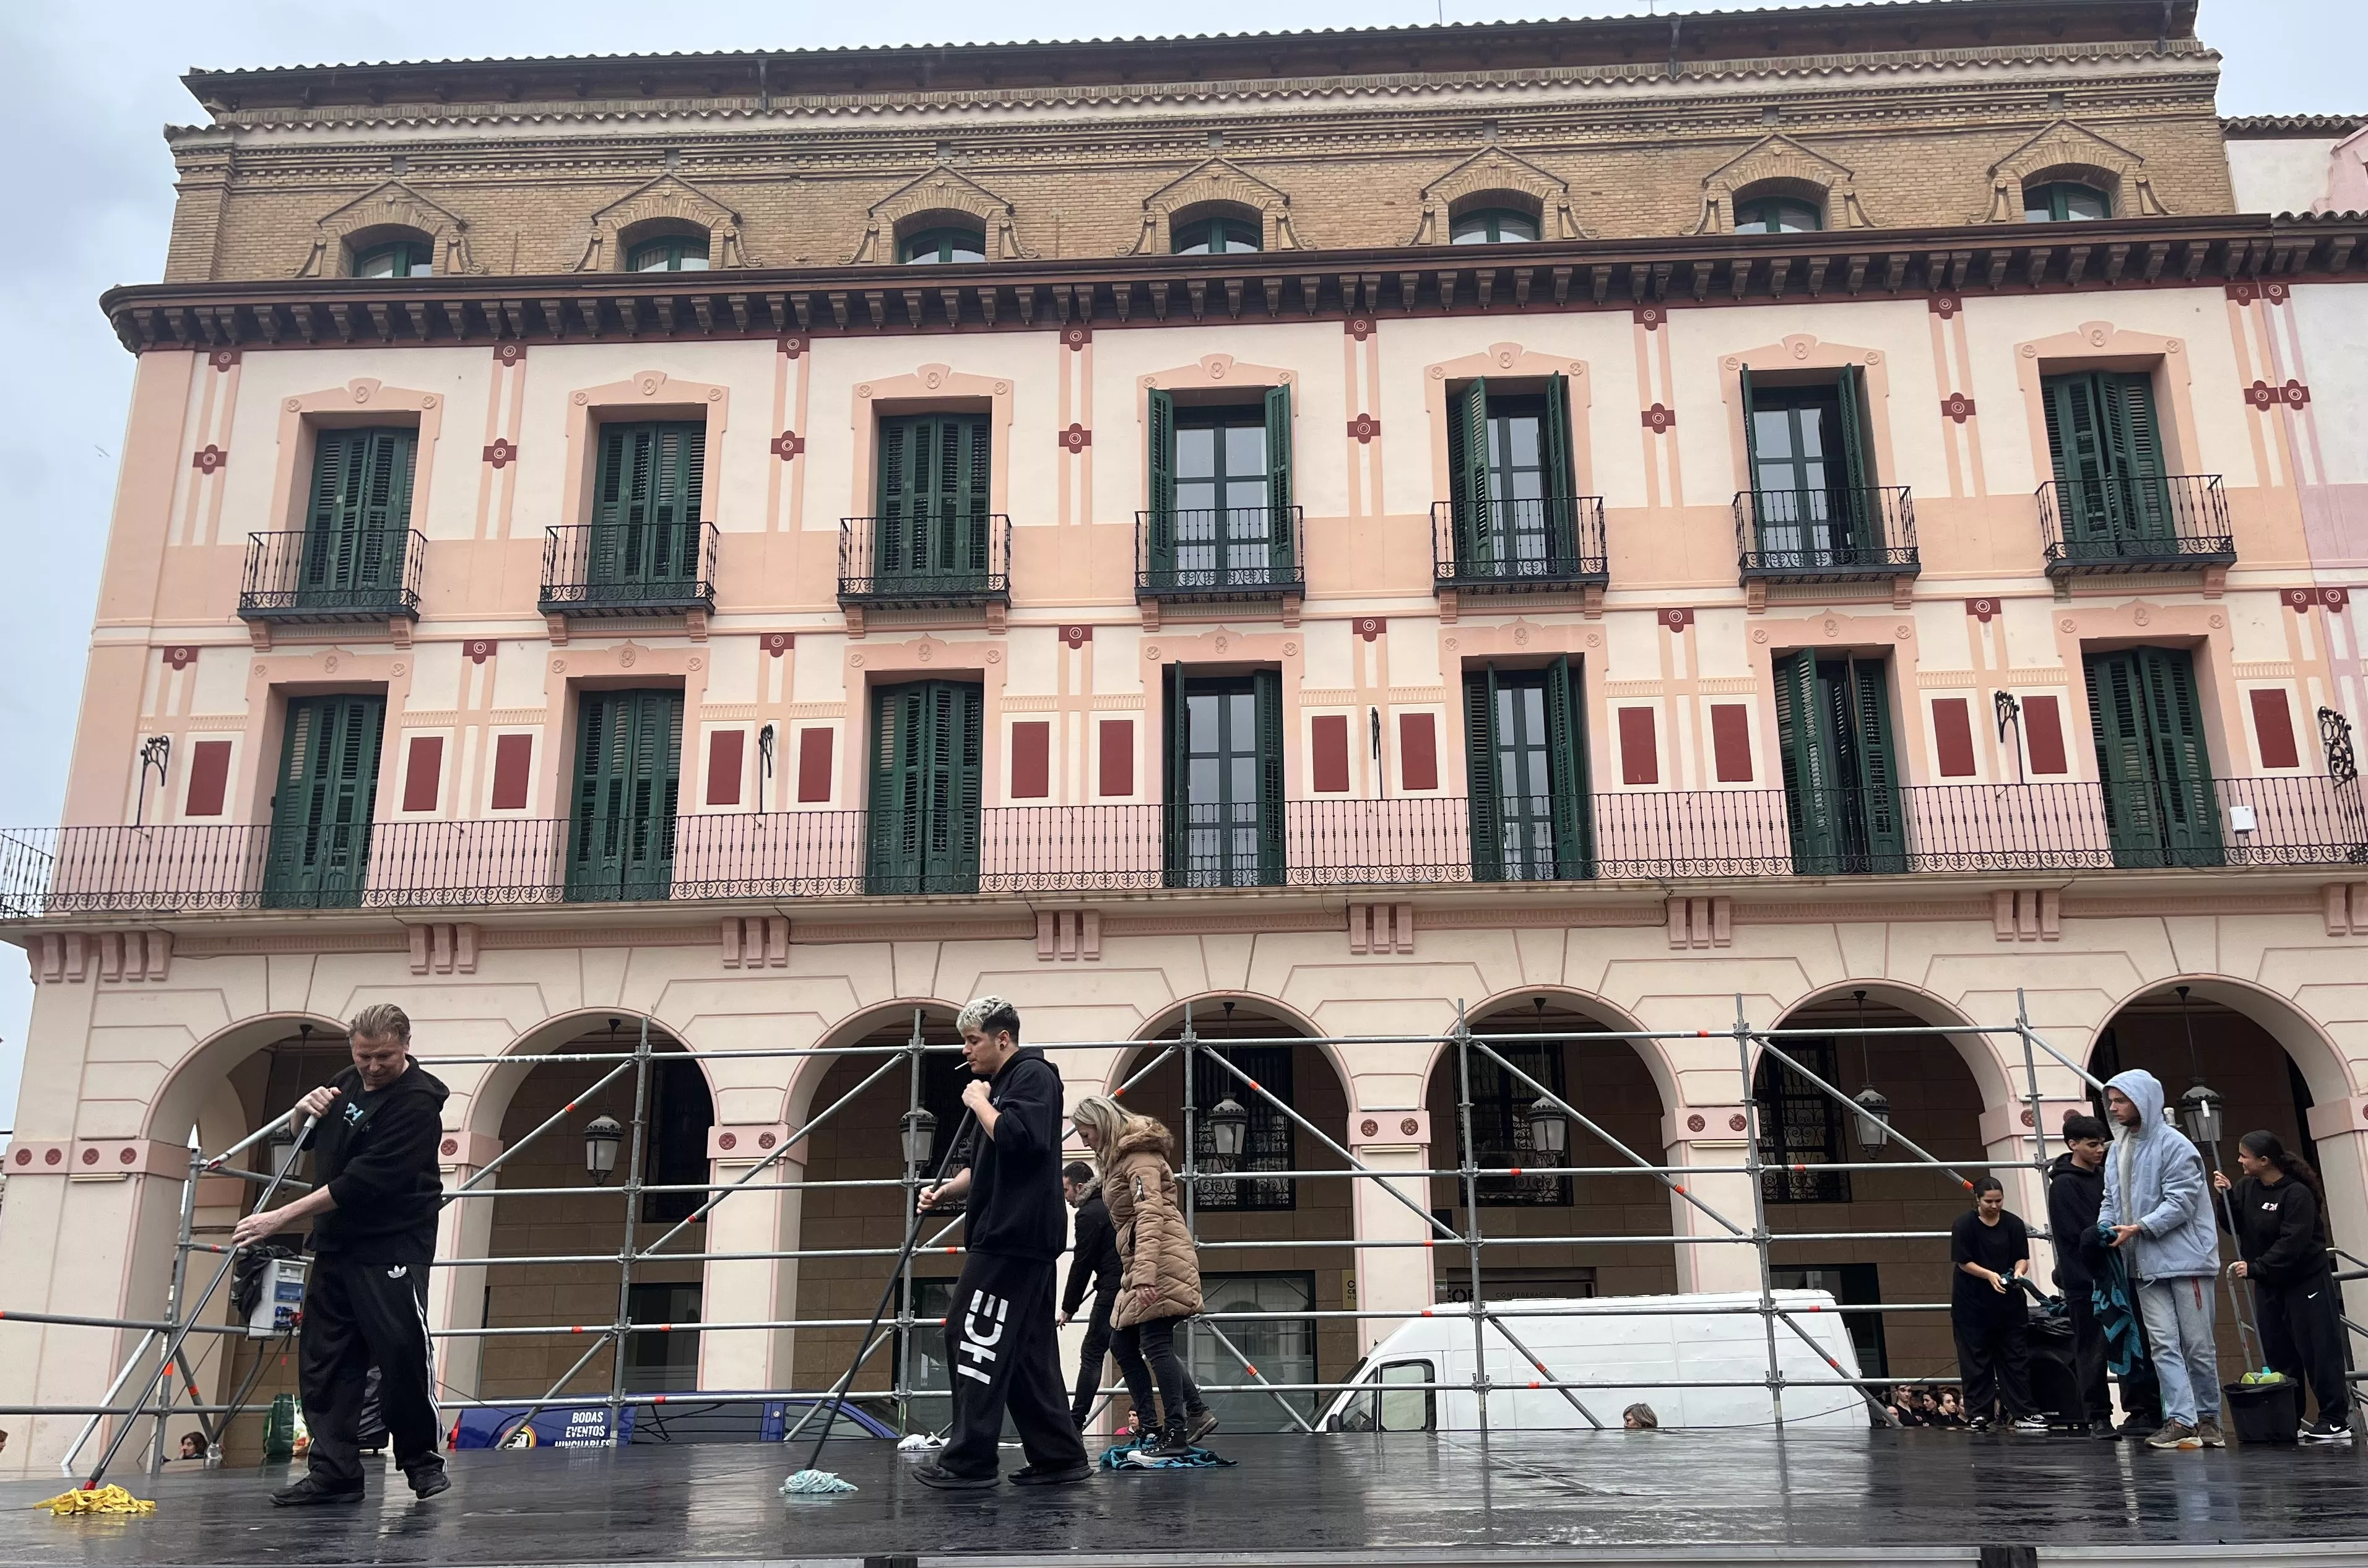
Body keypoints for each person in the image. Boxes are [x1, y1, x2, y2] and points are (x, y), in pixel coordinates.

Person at [230, 1003, 451, 1505]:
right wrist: (300, 1110)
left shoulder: (417, 1104)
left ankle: (420, 1461)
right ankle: (335, 1471)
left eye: (384, 1057)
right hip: (337, 1242)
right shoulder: (345, 1080)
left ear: (406, 1046)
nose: (372, 1067)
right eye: (364, 1056)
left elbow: (361, 1182)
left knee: (400, 1353)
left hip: (391, 1243)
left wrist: (278, 1218)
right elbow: (305, 1140)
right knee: (324, 1359)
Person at [909, 997, 1093, 1490]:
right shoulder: (999, 1086)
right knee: (1028, 1349)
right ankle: (1058, 1457)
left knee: (971, 1332)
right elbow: (984, 1160)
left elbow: (1020, 1139)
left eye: (973, 1041)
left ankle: (969, 1460)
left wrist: (978, 1103)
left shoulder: (1032, 1076)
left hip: (1014, 1233)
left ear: (1003, 1038)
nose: (965, 1051)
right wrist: (947, 1189)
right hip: (1014, 1231)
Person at [1069, 1094, 1218, 1456]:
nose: (1084, 1141)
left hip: (1159, 1259)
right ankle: (1178, 1420)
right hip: (1143, 1260)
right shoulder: (1122, 1159)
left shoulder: (1140, 1158)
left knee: (1154, 1341)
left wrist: (1146, 1274)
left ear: (1101, 1123)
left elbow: (1150, 1214)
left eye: (1085, 1133)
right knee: (1121, 1342)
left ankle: (1176, 1432)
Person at [2099, 1068, 2225, 1450]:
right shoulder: (2119, 1149)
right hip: (2144, 1262)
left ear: (2143, 1101)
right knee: (2163, 1344)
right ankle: (2182, 1420)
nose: (2115, 1108)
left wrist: (2135, 1228)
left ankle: (2208, 1418)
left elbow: (2182, 1203)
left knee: (2198, 1345)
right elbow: (2110, 1199)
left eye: (2122, 1101)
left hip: (2187, 1261)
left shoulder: (2177, 1145)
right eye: (2112, 1101)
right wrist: (2105, 1229)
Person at [2215, 1130, 2354, 1442]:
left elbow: (2293, 1242)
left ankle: (2335, 1419)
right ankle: (2288, 1419)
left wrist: (2257, 1267)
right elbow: (2235, 1226)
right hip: (2269, 1285)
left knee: (2318, 1350)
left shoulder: (2297, 1195)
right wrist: (2224, 1199)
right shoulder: (2247, 1188)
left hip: (2305, 1283)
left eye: (2244, 1156)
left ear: (2264, 1161)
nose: (2239, 1161)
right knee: (2279, 1354)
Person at [2049, 1111, 2163, 1438]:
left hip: (2116, 1274)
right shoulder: (2064, 1185)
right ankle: (2097, 1416)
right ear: (2073, 1145)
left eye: (2102, 1143)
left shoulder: (2105, 1176)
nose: (2100, 1150)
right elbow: (2075, 1235)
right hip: (2085, 1281)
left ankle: (2141, 1411)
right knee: (2093, 1349)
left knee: (2130, 1342)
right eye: (2091, 1144)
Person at [1950, 1176, 2047, 1434]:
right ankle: (1979, 1414)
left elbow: (2022, 1258)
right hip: (1972, 1306)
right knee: (1976, 1362)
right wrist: (1990, 1275)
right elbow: (1963, 1262)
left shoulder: (2013, 1223)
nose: (1994, 1206)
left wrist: (2018, 1272)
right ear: (1978, 1200)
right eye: (1988, 1201)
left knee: (2015, 1358)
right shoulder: (1964, 1225)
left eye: (1999, 1201)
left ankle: (2024, 1412)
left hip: (2009, 1305)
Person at [1058, 1159, 1122, 1431]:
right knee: (1145, 1348)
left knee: (1092, 1352)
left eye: (1066, 1190)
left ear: (1080, 1186)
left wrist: (1068, 1307)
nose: (1065, 1197)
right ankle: (1190, 1408)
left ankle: (1075, 1421)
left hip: (1111, 1289)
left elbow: (1081, 1263)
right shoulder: (1110, 1204)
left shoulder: (1087, 1214)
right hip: (1129, 1283)